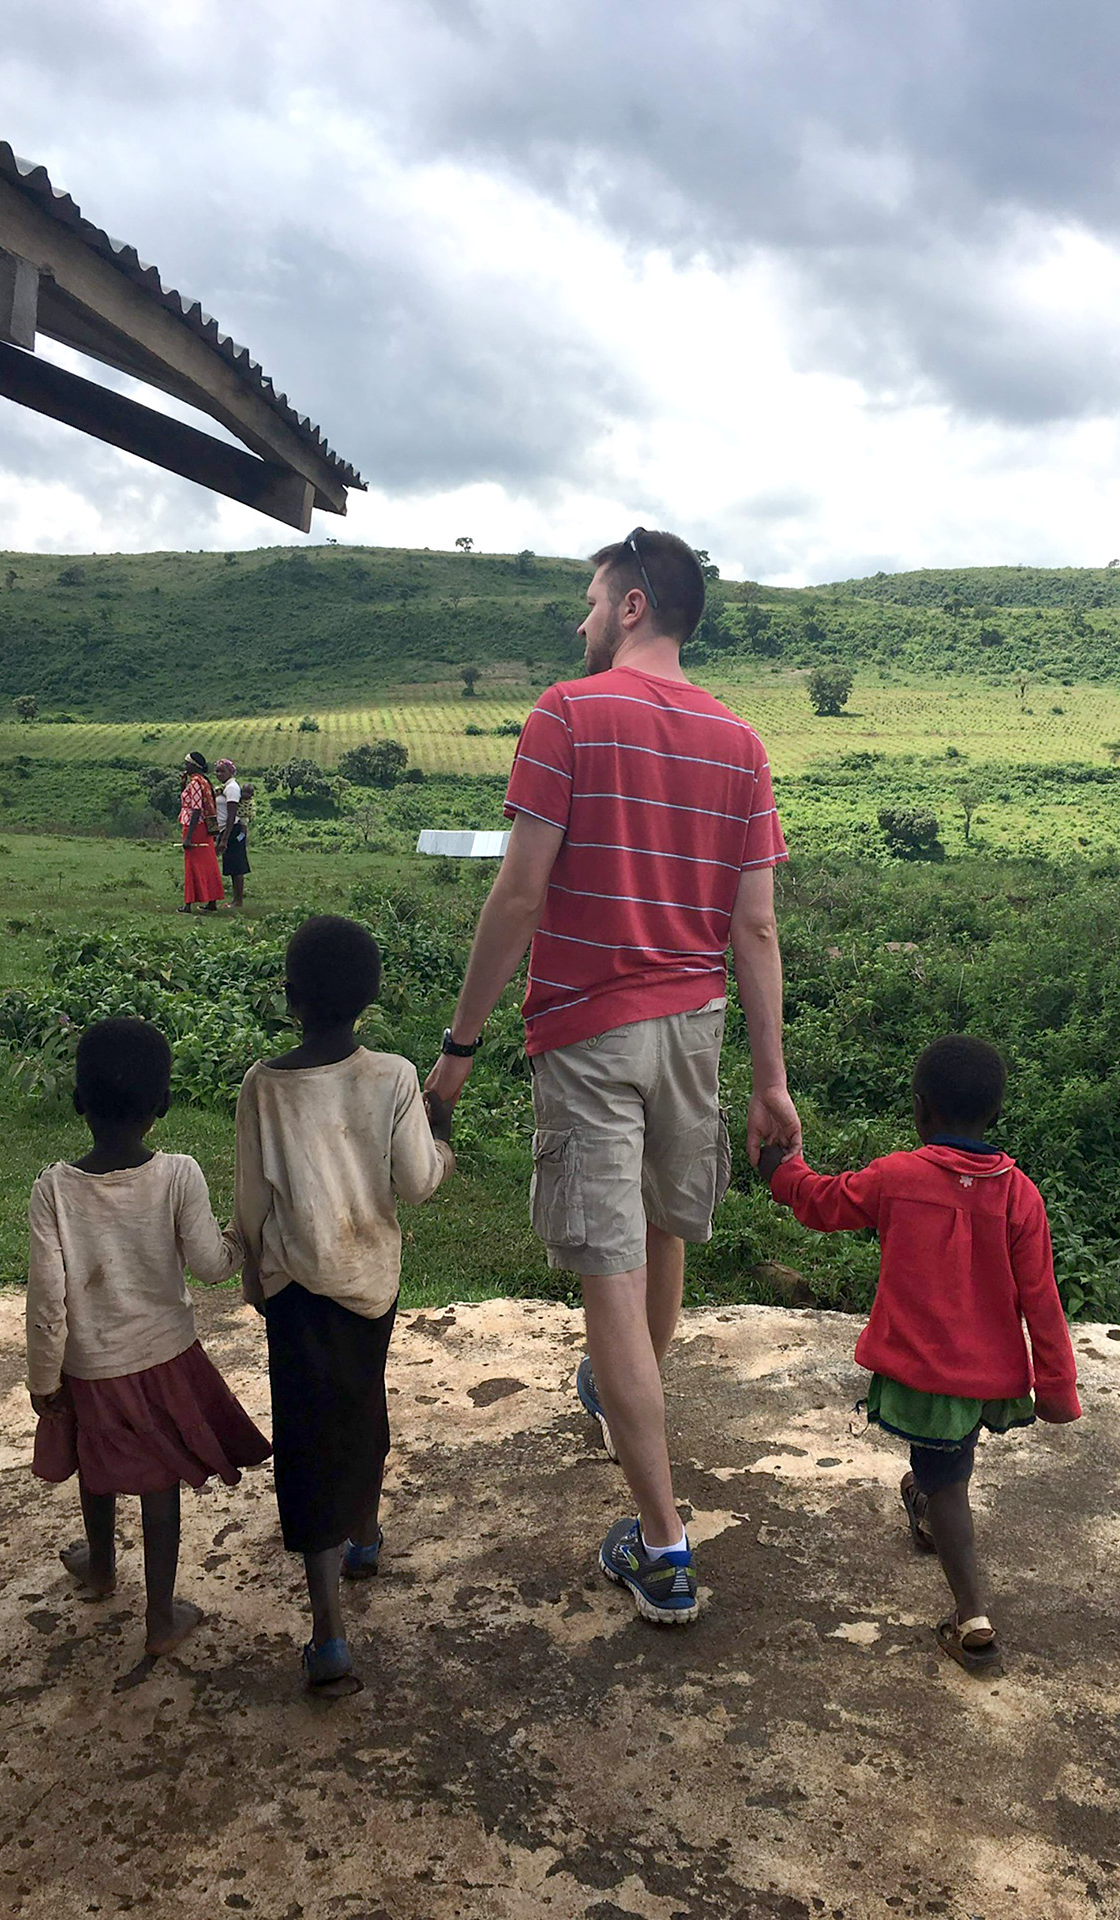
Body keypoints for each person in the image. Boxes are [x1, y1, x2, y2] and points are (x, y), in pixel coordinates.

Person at [426, 528, 800, 1627]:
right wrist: (770, 1082)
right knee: (665, 1234)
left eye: (591, 602)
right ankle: (617, 1391)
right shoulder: (741, 741)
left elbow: (520, 896)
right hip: (694, 1030)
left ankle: (665, 1546)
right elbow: (758, 928)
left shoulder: (567, 714)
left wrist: (458, 1047)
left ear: (633, 605)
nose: (579, 622)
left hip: (588, 1034)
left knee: (607, 1274)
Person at [760, 1034, 1082, 1675]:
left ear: (921, 1110)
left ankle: (973, 1620)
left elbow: (824, 1203)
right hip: (985, 1377)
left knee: (948, 1481)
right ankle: (926, 1512)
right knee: (944, 1466)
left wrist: (780, 1170)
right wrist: (1056, 1387)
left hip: (929, 1377)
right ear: (993, 1115)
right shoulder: (1020, 1196)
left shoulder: (899, 1178)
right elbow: (1042, 1300)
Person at [234, 915, 455, 1693]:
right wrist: (444, 1137)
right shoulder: (393, 1077)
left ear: (289, 998)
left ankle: (328, 1634)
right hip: (370, 1288)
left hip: (295, 1292)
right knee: (362, 1405)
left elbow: (252, 1201)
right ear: (372, 997)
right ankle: (364, 1531)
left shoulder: (262, 1087)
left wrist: (250, 1272)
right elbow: (419, 1183)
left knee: (307, 1436)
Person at [27, 1018, 271, 1666]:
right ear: (161, 1106)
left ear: (78, 1102)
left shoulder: (53, 1189)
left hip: (90, 1367)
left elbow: (48, 1300)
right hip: (165, 1361)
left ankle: (100, 1565)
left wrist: (43, 1380)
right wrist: (241, 1237)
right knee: (159, 1483)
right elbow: (211, 1265)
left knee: (94, 1458)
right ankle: (161, 1615)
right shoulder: (179, 1175)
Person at [179, 752, 224, 913]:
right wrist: (183, 786)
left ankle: (188, 904)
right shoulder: (203, 782)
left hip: (195, 827)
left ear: (194, 766)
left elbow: (196, 809)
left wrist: (189, 836)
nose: (185, 766)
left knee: (192, 864)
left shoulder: (196, 783)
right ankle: (212, 901)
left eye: (187, 763)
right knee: (208, 863)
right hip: (204, 827)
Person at [215, 757, 251, 911]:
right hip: (227, 830)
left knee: (237, 866)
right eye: (216, 771)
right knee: (232, 865)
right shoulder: (225, 787)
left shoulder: (231, 788)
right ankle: (236, 899)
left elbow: (231, 815)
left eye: (222, 771)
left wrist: (225, 839)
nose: (219, 774)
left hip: (232, 830)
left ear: (231, 771)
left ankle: (238, 901)